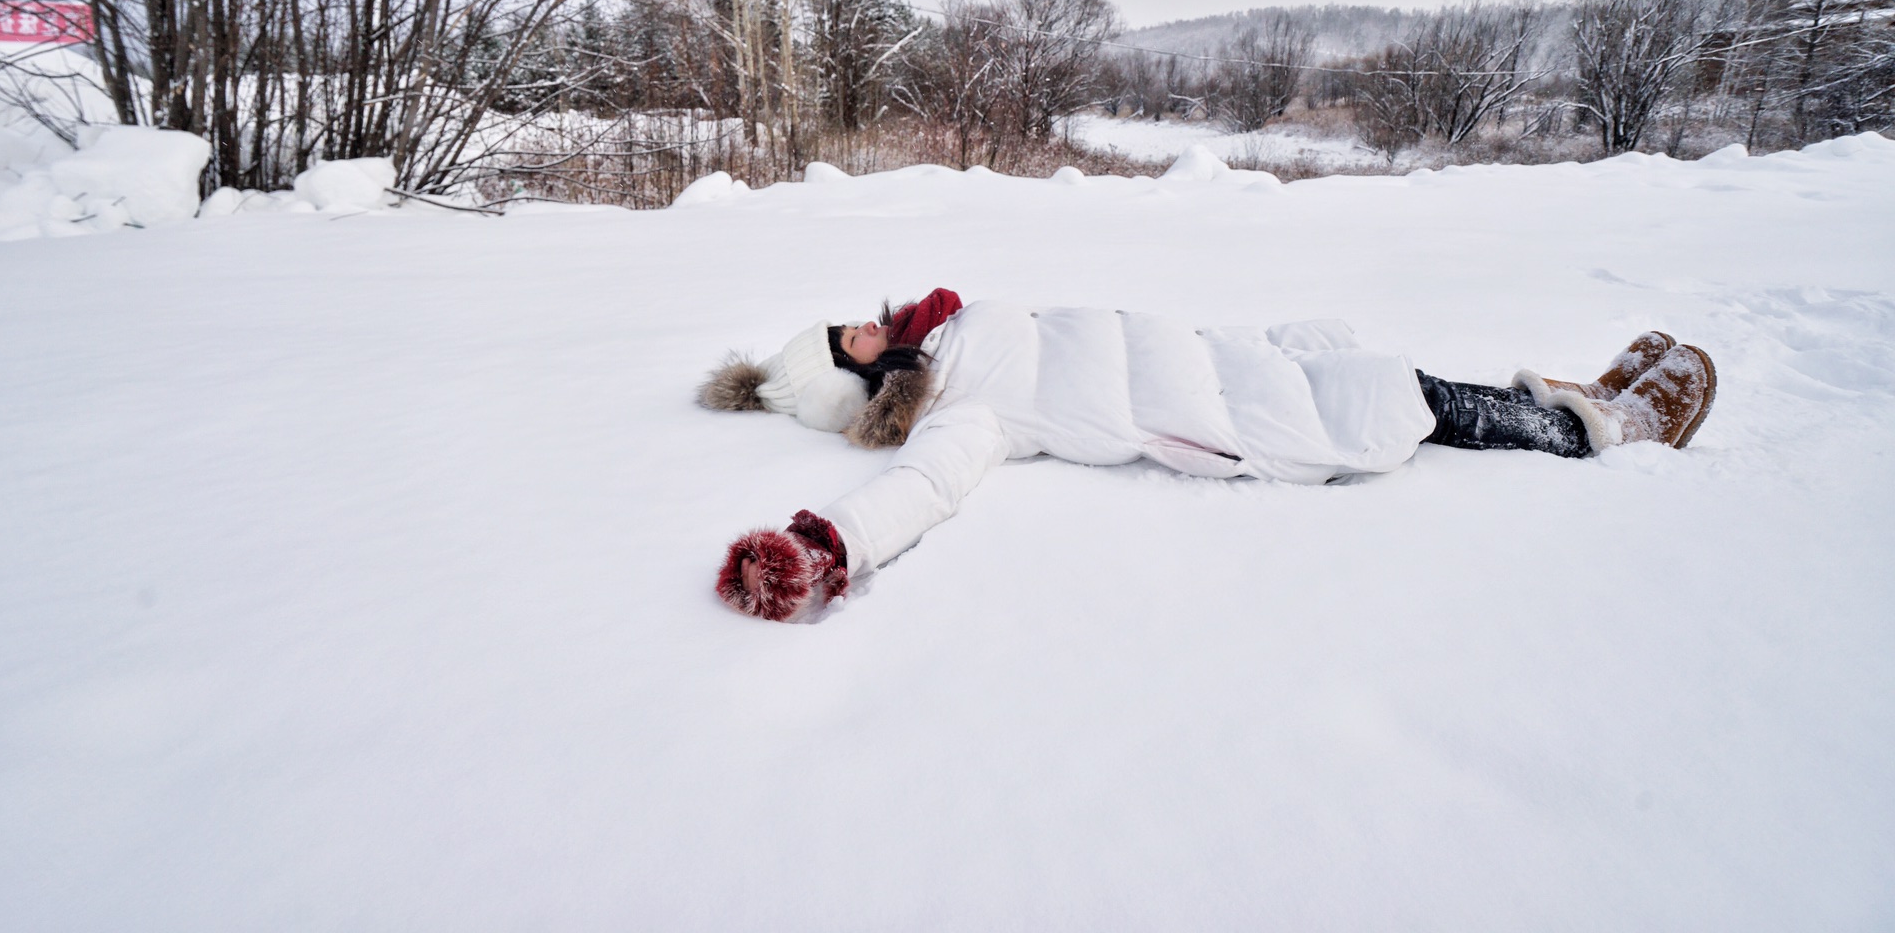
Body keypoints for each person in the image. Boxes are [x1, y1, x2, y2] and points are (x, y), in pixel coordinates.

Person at [697, 290, 1716, 622]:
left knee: (1368, 371)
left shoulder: (943, 330)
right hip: (1215, 408)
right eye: (846, 346)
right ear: (857, 382)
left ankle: (1585, 403)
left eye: (847, 325)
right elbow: (921, 488)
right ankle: (1596, 425)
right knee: (1388, 399)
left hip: (1207, 358)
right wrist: (825, 546)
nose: (859, 326)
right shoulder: (954, 413)